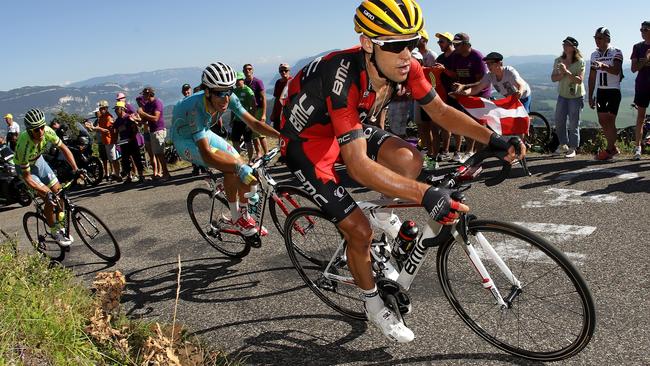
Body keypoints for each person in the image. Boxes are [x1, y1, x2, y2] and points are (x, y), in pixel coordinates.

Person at [279, 0, 524, 343]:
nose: (406, 54)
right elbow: (358, 166)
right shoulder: (342, 75)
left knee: (410, 161)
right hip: (307, 143)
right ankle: (373, 304)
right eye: (395, 45)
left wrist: (493, 138)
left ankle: (384, 217)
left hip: (348, 124)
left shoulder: (405, 65)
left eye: (412, 42)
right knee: (359, 231)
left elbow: (438, 110)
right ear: (368, 43)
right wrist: (425, 195)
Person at [170, 62, 280, 236]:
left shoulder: (230, 97)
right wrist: (236, 167)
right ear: (207, 91)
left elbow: (254, 123)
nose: (226, 98)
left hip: (203, 131)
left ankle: (241, 211)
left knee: (239, 162)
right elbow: (206, 153)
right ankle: (237, 218)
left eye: (229, 91)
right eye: (220, 93)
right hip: (184, 140)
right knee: (232, 168)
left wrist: (283, 136)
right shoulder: (195, 108)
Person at [14, 109, 79, 246]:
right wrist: (45, 193)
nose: (41, 131)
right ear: (30, 130)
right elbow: (27, 177)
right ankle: (54, 230)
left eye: (42, 127)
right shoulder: (24, 145)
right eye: (37, 129)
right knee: (49, 197)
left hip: (39, 161)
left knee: (59, 192)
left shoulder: (48, 131)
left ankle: (60, 224)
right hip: (26, 169)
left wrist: (76, 169)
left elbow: (64, 149)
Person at [448, 32, 489, 161]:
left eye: (458, 45)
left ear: (466, 44)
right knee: (466, 122)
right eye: (453, 44)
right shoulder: (456, 56)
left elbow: (480, 82)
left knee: (476, 123)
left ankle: (473, 151)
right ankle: (471, 151)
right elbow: (456, 75)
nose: (455, 47)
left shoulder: (477, 57)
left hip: (479, 94)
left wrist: (463, 86)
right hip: (464, 93)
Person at [588, 27, 624, 161]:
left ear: (607, 39)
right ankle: (613, 148)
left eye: (600, 38)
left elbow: (616, 70)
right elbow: (592, 77)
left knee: (610, 120)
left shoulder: (616, 52)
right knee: (602, 120)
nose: (597, 41)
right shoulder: (594, 54)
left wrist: (602, 66)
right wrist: (590, 95)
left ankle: (609, 150)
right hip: (601, 91)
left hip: (613, 90)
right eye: (595, 38)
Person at [551, 36, 586, 158]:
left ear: (574, 47)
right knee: (559, 120)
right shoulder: (558, 60)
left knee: (574, 123)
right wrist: (561, 74)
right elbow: (553, 78)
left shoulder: (580, 62)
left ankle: (573, 147)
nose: (565, 46)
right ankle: (563, 144)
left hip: (576, 96)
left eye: (567, 44)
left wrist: (566, 72)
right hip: (562, 95)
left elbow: (579, 81)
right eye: (564, 44)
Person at [138, 87, 171, 179]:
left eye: (144, 94)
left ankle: (166, 173)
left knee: (160, 153)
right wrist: (140, 120)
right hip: (152, 130)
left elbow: (156, 118)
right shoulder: (148, 105)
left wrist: (143, 113)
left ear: (149, 94)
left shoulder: (157, 102)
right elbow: (146, 120)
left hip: (158, 130)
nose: (143, 96)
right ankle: (164, 173)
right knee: (157, 153)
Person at [631, 21, 650, 160]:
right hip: (642, 85)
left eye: (645, 29)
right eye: (641, 29)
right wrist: (645, 60)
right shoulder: (637, 47)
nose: (642, 31)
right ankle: (638, 148)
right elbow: (633, 68)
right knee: (640, 118)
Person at [113, 101, 145, 183]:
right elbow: (116, 132)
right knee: (125, 160)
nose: (116, 111)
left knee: (136, 158)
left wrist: (132, 137)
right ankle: (129, 176)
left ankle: (141, 175)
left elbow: (135, 129)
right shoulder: (117, 121)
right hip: (123, 142)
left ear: (122, 109)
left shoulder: (128, 118)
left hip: (132, 141)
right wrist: (116, 141)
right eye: (115, 110)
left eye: (117, 109)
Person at [243, 64, 268, 159]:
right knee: (253, 133)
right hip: (250, 110)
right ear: (243, 71)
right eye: (246, 69)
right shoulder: (244, 82)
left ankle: (266, 153)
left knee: (260, 132)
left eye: (250, 69)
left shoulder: (258, 82)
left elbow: (264, 98)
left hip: (259, 109)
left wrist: (264, 114)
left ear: (252, 70)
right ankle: (259, 153)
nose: (248, 71)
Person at [231, 72, 256, 161]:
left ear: (243, 80)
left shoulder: (248, 91)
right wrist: (231, 119)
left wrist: (251, 122)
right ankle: (239, 160)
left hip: (246, 120)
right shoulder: (234, 91)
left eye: (239, 80)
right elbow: (233, 106)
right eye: (236, 81)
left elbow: (253, 107)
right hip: (237, 120)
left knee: (248, 141)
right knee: (235, 140)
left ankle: (250, 160)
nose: (237, 82)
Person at [270, 64, 292, 131]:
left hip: (288, 113)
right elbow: (276, 98)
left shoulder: (292, 81)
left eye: (285, 70)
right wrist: (273, 113)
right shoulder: (278, 82)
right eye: (281, 71)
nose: (283, 72)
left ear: (289, 71)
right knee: (278, 132)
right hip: (278, 112)